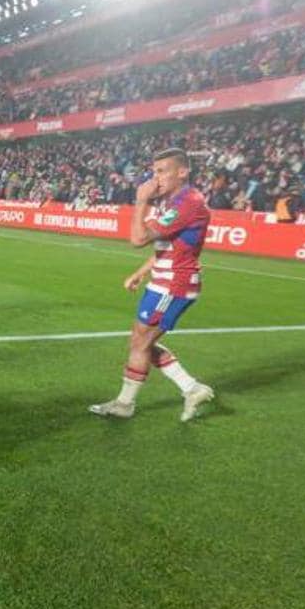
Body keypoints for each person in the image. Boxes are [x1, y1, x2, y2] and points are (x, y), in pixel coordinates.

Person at [90, 148, 215, 422]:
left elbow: (138, 239)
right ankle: (191, 388)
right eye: (154, 171)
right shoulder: (172, 201)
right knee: (140, 341)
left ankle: (125, 405)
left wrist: (140, 202)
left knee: (141, 343)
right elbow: (165, 246)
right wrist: (141, 272)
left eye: (162, 171)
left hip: (175, 284)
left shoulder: (188, 202)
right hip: (163, 280)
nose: (155, 178)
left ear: (182, 172)